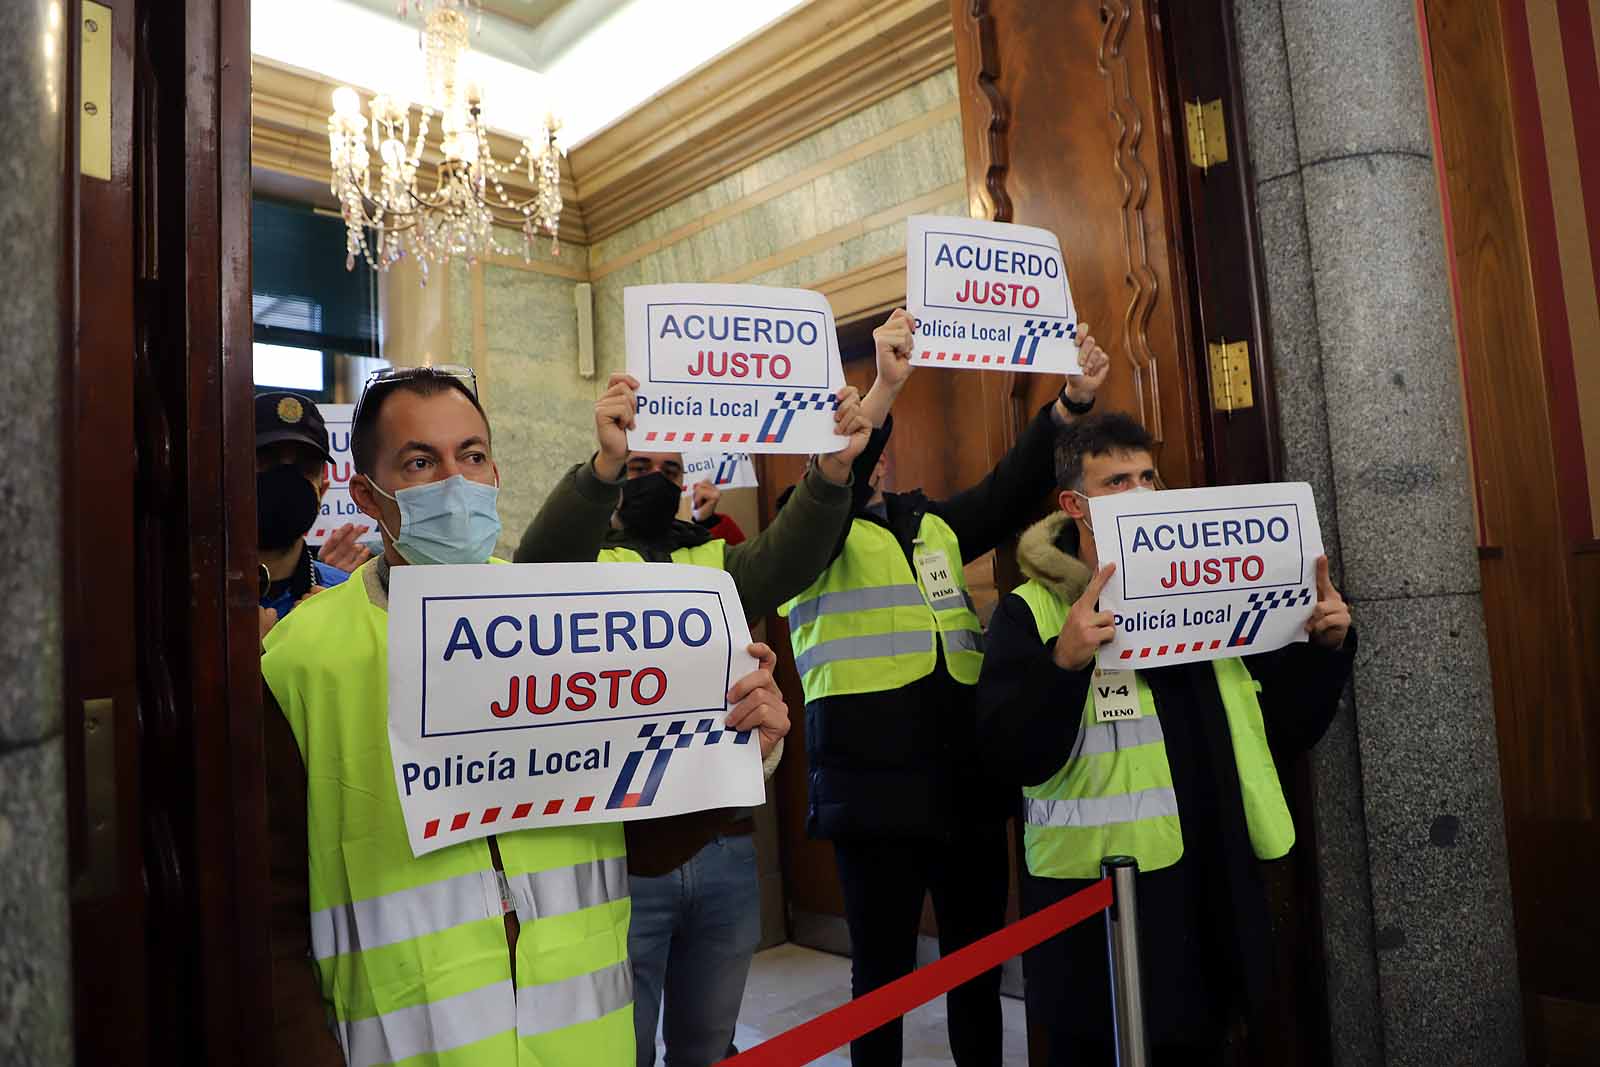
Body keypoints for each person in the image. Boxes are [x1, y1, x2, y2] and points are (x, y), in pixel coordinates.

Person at [262, 366, 792, 1067]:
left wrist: (736, 747)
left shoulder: (568, 625)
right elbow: (266, 914)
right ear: (367, 493)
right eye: (421, 461)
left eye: (472, 455)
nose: (456, 479)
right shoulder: (300, 656)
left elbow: (639, 841)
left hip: (585, 1043)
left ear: (495, 472)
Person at [777, 308, 1110, 1067]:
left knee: (977, 969)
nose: (865, 447)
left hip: (966, 786)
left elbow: (1007, 490)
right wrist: (883, 394)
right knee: (883, 978)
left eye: (866, 433)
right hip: (872, 797)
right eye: (845, 430)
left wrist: (1071, 406)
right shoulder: (802, 541)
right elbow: (842, 478)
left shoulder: (928, 522)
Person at [975, 413, 1355, 1064]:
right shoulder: (1030, 612)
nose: (1141, 490)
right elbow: (1008, 756)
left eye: (1148, 475)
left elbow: (1287, 729)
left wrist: (1325, 649)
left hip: (1210, 898)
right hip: (1099, 915)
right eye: (1117, 480)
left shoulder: (1216, 596)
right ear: (1076, 505)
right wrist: (1061, 665)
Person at [523, 390, 871, 1067]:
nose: (655, 479)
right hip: (621, 859)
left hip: (721, 849)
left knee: (710, 1046)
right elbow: (537, 566)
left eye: (670, 470)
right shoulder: (581, 562)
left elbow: (789, 556)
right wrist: (601, 468)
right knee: (621, 1049)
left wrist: (828, 472)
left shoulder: (712, 563)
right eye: (638, 464)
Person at [255, 391, 356, 640]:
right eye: (267, 462)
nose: (285, 481)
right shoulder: (201, 597)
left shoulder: (346, 597)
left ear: (322, 490)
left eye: (304, 468)